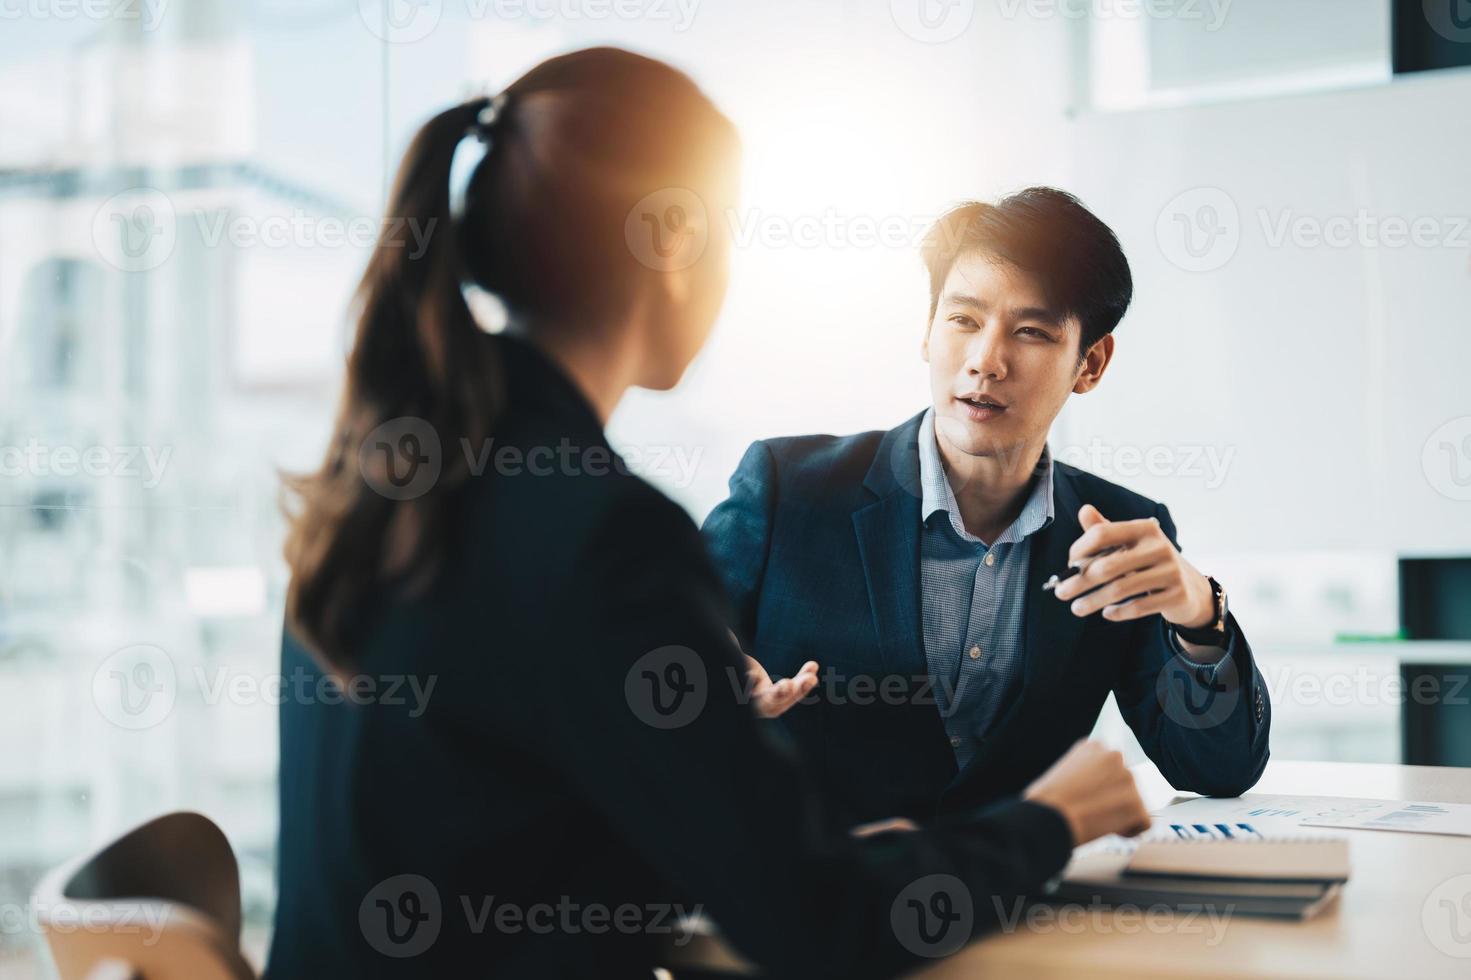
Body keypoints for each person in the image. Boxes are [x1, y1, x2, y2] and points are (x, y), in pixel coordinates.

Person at [266, 50, 1149, 980]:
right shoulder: (606, 532)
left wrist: (747, 796)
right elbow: (821, 925)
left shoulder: (395, 484)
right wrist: (1053, 820)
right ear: (675, 244)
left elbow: (496, 843)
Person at [702, 189, 1271, 829]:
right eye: (964, 321)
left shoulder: (1121, 533)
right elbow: (657, 652)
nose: (985, 361)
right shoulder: (789, 488)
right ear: (926, 330)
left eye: (1030, 331)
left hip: (1022, 907)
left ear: (1091, 363)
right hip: (815, 904)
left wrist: (1200, 612)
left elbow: (1218, 770)